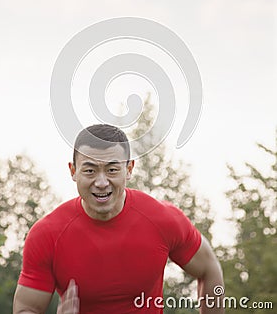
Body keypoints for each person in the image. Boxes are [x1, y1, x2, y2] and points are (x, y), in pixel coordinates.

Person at [13, 124, 224, 314]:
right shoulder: (47, 235)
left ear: (129, 169)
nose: (102, 182)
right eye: (90, 170)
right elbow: (26, 309)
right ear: (73, 171)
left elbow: (208, 269)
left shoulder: (163, 219)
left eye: (112, 170)